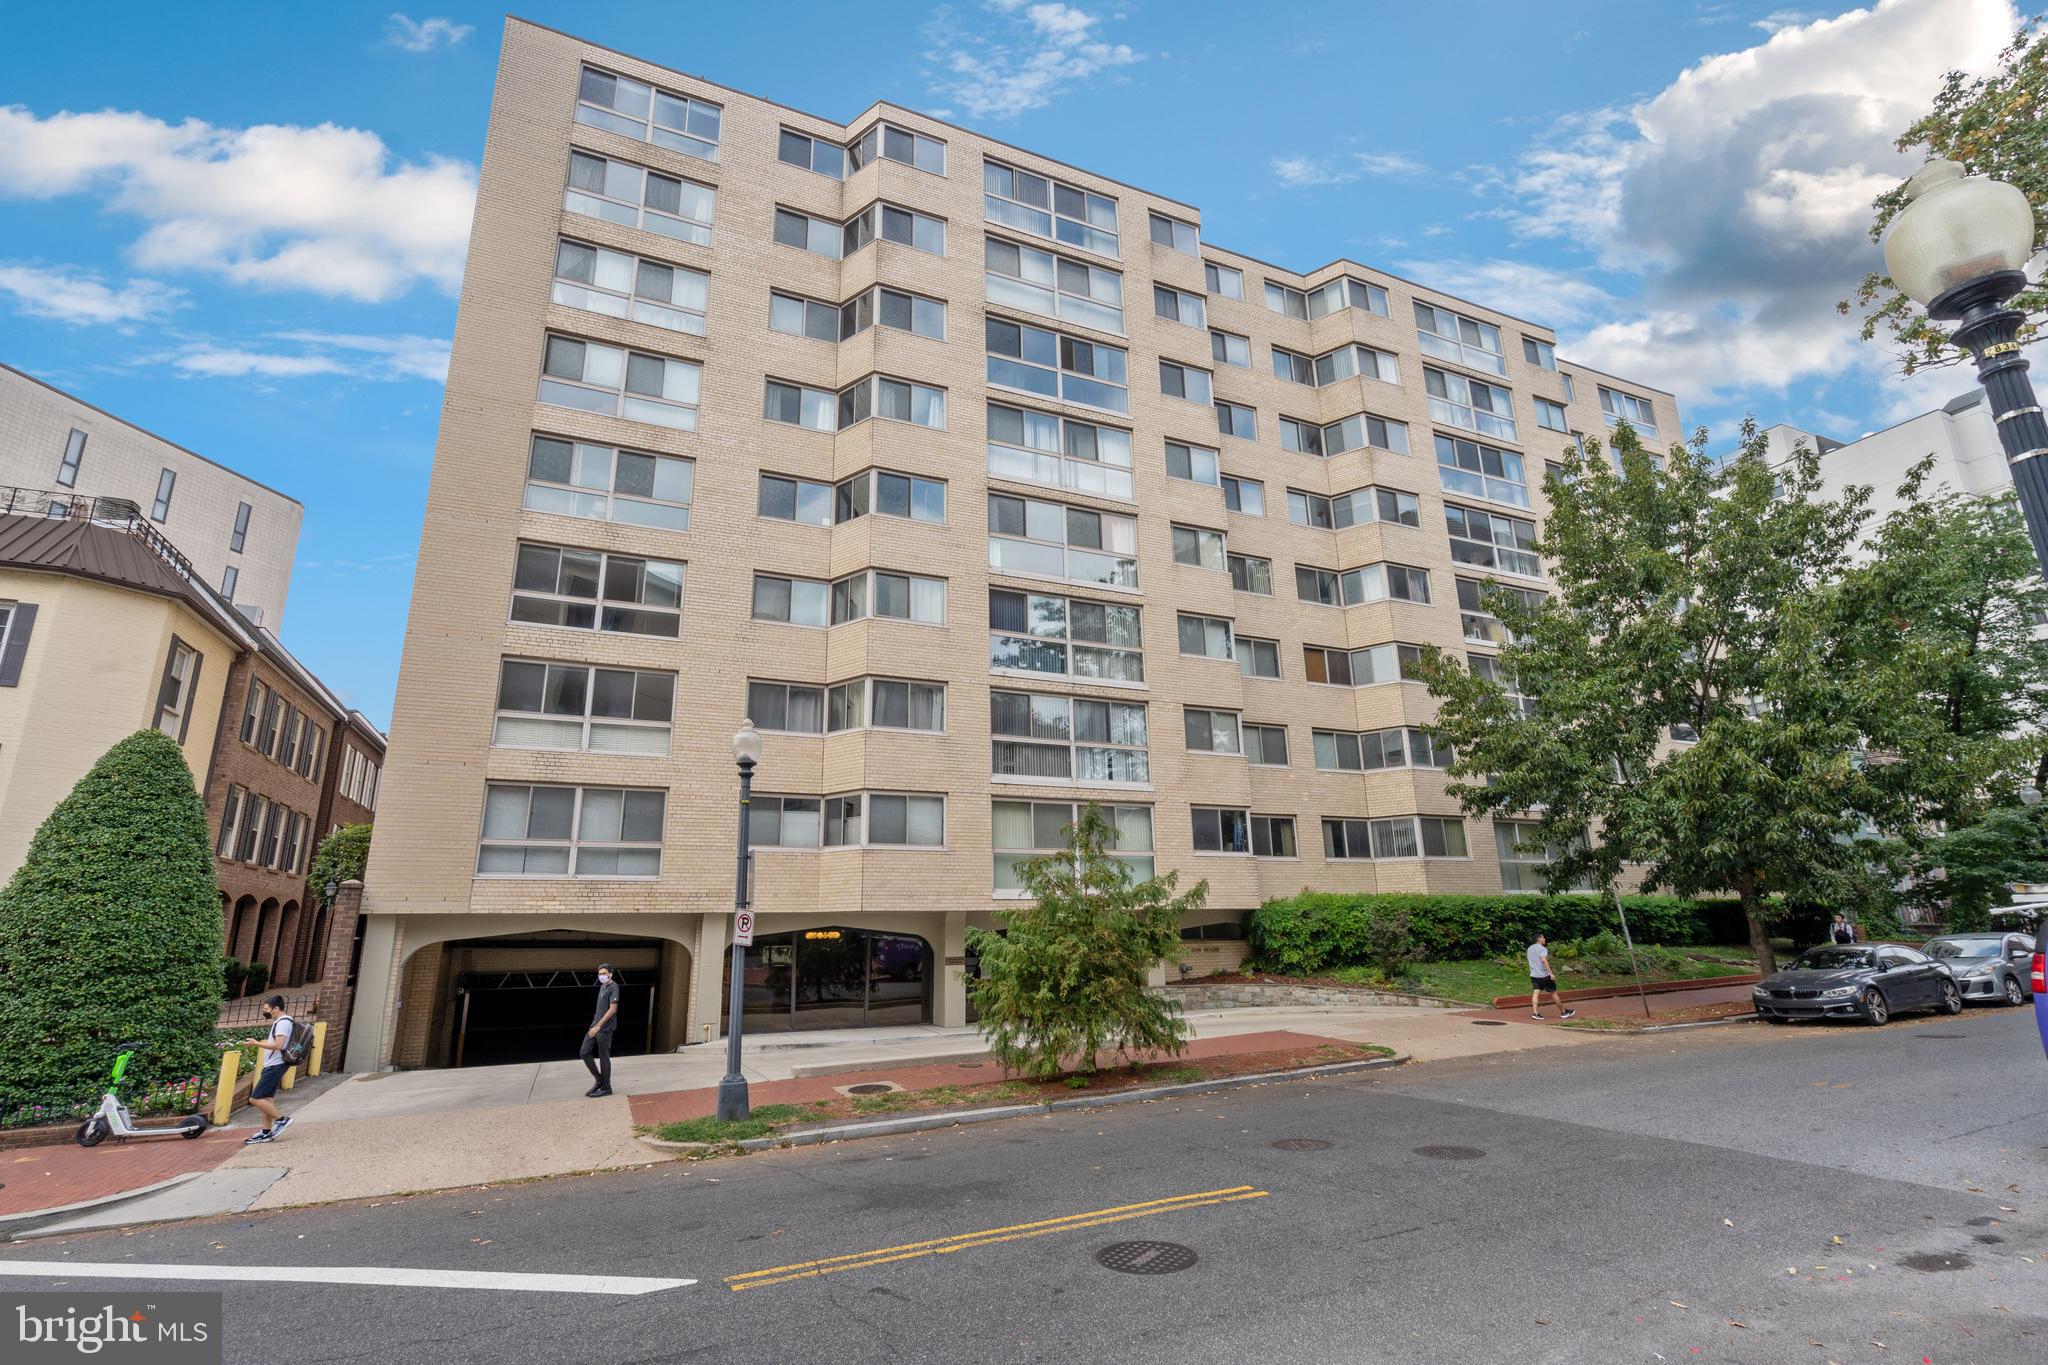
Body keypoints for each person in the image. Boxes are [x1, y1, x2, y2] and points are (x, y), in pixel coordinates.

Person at [235, 995, 297, 1144]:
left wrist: (256, 1044)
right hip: (273, 1064)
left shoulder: (282, 1023)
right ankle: (266, 1131)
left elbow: (279, 1045)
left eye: (267, 1009)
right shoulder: (282, 1022)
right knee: (266, 1099)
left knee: (255, 1098)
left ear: (276, 1008)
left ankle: (282, 1120)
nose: (266, 1012)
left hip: (275, 1065)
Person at [581, 963, 621, 1097]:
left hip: (604, 1028)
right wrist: (594, 1025)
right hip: (595, 1024)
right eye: (599, 974)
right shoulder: (602, 986)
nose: (601, 976)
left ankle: (606, 1087)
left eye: (604, 973)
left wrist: (598, 1026)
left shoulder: (614, 987)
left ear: (611, 974)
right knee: (584, 1051)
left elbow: (613, 1009)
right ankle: (599, 1080)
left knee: (604, 1057)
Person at [1525, 934, 1576, 1021]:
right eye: (1543, 937)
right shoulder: (1542, 949)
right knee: (1553, 993)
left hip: (1534, 975)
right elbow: (1544, 960)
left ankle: (1535, 1013)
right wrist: (1551, 973)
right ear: (1539, 939)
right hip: (1544, 975)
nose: (1544, 939)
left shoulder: (1529, 949)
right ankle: (1564, 1012)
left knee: (1536, 992)